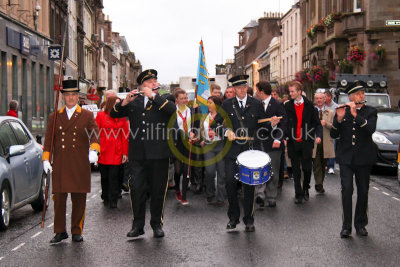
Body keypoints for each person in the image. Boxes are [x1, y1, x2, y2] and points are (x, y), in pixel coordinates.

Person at [110, 69, 176, 238]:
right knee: (137, 189)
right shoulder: (135, 102)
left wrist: (153, 96)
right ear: (142, 85)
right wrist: (125, 101)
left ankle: (156, 224)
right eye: (150, 82)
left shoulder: (164, 98)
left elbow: (171, 110)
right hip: (138, 154)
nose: (154, 83)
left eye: (155, 81)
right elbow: (113, 113)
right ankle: (137, 225)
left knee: (158, 190)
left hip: (159, 154)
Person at [42, 79, 100, 243]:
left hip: (79, 163)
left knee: (79, 198)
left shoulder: (86, 115)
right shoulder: (55, 116)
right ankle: (60, 231)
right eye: (68, 95)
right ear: (63, 97)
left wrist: (94, 150)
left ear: (77, 96)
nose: (71, 98)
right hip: (60, 163)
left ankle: (76, 230)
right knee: (59, 199)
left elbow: (95, 133)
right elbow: (48, 141)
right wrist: (46, 159)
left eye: (74, 94)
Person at [214, 74, 274, 232]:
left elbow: (264, 129)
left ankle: (249, 219)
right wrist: (226, 131)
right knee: (230, 184)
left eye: (244, 87)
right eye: (239, 88)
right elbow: (215, 125)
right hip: (232, 151)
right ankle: (233, 218)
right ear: (233, 89)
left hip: (250, 150)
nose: (242, 90)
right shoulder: (227, 104)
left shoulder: (256, 104)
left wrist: (271, 124)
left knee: (249, 186)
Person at [330, 81, 377, 238]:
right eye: (357, 94)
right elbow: (333, 135)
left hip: (364, 159)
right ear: (350, 96)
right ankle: (346, 226)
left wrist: (356, 115)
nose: (361, 96)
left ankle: (360, 224)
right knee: (347, 190)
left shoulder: (370, 111)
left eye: (362, 93)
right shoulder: (343, 111)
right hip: (346, 159)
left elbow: (370, 129)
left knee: (363, 192)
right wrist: (339, 119)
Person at [284, 81, 322, 204]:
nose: (290, 94)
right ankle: (298, 193)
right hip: (293, 142)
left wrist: (319, 136)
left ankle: (305, 188)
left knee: (306, 169)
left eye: (292, 91)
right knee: (295, 169)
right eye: (289, 91)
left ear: (299, 92)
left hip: (306, 142)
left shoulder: (310, 106)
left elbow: (317, 123)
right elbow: (284, 123)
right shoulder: (287, 106)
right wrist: (284, 136)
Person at [254, 81, 287, 207]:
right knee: (259, 168)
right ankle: (260, 194)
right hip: (258, 142)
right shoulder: (256, 104)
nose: (256, 93)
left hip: (273, 143)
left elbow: (284, 124)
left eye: (257, 91)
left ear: (261, 91)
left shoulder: (278, 104)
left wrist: (278, 139)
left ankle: (272, 196)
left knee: (272, 169)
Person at [95, 96, 129, 208]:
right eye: (115, 103)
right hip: (103, 150)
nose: (117, 106)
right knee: (104, 177)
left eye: (119, 103)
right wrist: (95, 149)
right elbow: (95, 134)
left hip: (116, 150)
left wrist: (125, 153)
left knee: (114, 176)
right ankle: (105, 196)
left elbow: (125, 136)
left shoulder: (122, 117)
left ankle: (113, 199)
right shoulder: (100, 115)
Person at [172, 88, 198, 205]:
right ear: (176, 100)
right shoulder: (173, 111)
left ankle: (184, 195)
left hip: (188, 142)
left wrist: (194, 134)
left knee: (186, 169)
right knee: (178, 170)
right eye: (182, 98)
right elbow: (173, 128)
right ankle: (177, 188)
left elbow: (196, 126)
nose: (185, 100)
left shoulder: (192, 111)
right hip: (178, 143)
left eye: (186, 98)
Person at [199, 96, 226, 205]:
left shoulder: (224, 117)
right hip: (208, 146)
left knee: (221, 172)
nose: (208, 105)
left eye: (210, 103)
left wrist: (217, 133)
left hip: (220, 145)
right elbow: (201, 130)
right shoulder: (205, 117)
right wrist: (201, 139)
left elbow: (229, 131)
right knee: (209, 172)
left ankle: (221, 197)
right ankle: (210, 193)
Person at [312, 92, 335, 194]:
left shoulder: (330, 112)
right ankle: (318, 184)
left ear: (324, 99)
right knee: (316, 163)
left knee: (323, 163)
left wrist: (327, 124)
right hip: (315, 141)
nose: (319, 100)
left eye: (321, 98)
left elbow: (334, 128)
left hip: (326, 141)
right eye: (317, 98)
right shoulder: (312, 112)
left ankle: (320, 182)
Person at [324, 89, 338, 174]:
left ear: (329, 97)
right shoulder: (322, 106)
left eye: (324, 96)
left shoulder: (336, 107)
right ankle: (325, 164)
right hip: (323, 130)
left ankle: (331, 166)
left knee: (332, 148)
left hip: (332, 130)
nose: (323, 98)